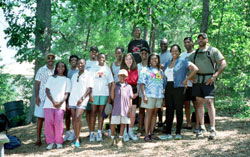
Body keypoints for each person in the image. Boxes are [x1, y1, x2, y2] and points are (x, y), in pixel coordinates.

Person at [189, 33, 227, 139]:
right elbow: (185, 65)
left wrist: (215, 76)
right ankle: (202, 127)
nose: (200, 40)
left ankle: (212, 128)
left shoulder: (213, 51)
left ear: (207, 39)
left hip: (209, 81)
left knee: (210, 102)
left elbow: (223, 63)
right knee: (199, 103)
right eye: (199, 39)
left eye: (203, 38)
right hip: (197, 81)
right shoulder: (195, 53)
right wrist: (189, 76)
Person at [161, 44, 199, 140]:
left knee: (178, 109)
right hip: (168, 88)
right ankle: (168, 132)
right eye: (172, 51)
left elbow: (195, 69)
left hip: (179, 87)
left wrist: (186, 80)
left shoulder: (183, 61)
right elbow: (164, 75)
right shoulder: (167, 63)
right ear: (170, 52)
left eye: (176, 51)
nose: (174, 52)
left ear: (179, 52)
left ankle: (178, 132)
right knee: (169, 110)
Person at [43, 62, 71, 150]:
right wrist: (53, 101)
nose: (60, 68)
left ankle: (58, 141)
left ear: (65, 68)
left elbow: (66, 94)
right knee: (48, 124)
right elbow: (47, 90)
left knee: (59, 123)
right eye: (59, 66)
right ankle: (51, 142)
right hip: (49, 104)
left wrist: (60, 102)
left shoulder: (67, 80)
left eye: (63, 66)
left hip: (60, 105)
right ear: (56, 68)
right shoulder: (51, 78)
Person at [138, 53, 165, 142]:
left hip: (159, 96)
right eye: (152, 59)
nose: (154, 60)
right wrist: (144, 95)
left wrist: (163, 95)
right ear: (149, 60)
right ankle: (146, 134)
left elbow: (162, 83)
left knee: (154, 114)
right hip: (149, 95)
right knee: (148, 114)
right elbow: (142, 83)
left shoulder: (160, 71)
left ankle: (152, 133)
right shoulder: (145, 70)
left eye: (156, 59)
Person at [68, 58, 93, 148]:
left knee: (78, 117)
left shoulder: (88, 74)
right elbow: (71, 88)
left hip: (82, 99)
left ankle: (78, 139)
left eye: (82, 63)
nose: (80, 65)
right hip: (73, 99)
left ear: (85, 64)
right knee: (74, 119)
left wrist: (82, 98)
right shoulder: (74, 75)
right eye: (79, 63)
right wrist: (68, 100)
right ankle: (76, 137)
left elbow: (89, 88)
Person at [89, 53, 114, 142]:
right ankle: (92, 133)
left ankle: (99, 132)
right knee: (93, 112)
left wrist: (110, 96)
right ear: (97, 58)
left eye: (103, 57)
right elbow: (89, 82)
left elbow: (111, 84)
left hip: (104, 93)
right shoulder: (93, 68)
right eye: (99, 57)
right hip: (94, 93)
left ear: (105, 59)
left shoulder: (107, 69)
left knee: (101, 113)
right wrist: (90, 94)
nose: (101, 59)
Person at [34, 53, 55, 146]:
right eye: (48, 58)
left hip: (53, 98)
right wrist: (37, 97)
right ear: (46, 59)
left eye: (52, 58)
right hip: (42, 97)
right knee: (40, 118)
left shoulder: (57, 69)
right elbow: (37, 84)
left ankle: (51, 138)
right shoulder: (41, 70)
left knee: (52, 119)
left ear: (54, 59)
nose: (50, 59)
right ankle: (38, 139)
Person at [108, 69, 133, 147]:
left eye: (123, 76)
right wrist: (113, 88)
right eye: (120, 75)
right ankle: (112, 138)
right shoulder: (115, 85)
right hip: (116, 108)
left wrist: (130, 108)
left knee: (123, 123)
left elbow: (130, 98)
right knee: (113, 123)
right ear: (118, 76)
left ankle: (120, 139)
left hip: (125, 108)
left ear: (126, 77)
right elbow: (112, 97)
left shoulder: (128, 87)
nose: (121, 77)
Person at [180, 37, 200, 132]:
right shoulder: (182, 55)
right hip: (186, 83)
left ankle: (197, 124)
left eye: (188, 42)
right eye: (185, 42)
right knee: (186, 103)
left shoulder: (197, 53)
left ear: (192, 43)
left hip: (195, 82)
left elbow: (199, 67)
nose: (187, 44)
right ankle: (188, 123)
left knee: (196, 103)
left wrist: (192, 76)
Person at [120, 53, 139, 142]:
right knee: (125, 113)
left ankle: (130, 131)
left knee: (133, 113)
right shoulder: (122, 70)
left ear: (133, 60)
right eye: (126, 59)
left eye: (130, 59)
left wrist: (137, 92)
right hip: (125, 91)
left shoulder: (136, 69)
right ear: (124, 60)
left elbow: (139, 82)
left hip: (134, 91)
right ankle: (124, 132)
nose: (128, 61)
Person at [64, 55, 79, 142]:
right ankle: (68, 131)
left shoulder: (79, 71)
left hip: (76, 95)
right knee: (67, 115)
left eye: (75, 60)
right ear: (69, 61)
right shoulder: (67, 71)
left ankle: (74, 131)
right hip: (67, 95)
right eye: (72, 60)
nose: (74, 61)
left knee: (75, 115)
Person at [158, 38, 172, 130]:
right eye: (162, 43)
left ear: (168, 45)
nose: (163, 45)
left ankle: (167, 121)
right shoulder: (158, 55)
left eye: (165, 44)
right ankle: (160, 120)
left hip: (168, 80)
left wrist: (164, 66)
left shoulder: (170, 55)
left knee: (167, 102)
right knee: (159, 102)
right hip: (159, 80)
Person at [85, 46, 99, 136]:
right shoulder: (86, 63)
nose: (93, 53)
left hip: (97, 90)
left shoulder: (100, 62)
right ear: (89, 53)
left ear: (97, 53)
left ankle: (95, 130)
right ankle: (90, 131)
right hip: (86, 90)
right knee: (88, 111)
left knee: (95, 112)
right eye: (92, 51)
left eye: (95, 52)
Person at [137, 47, 149, 136]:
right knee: (141, 110)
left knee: (149, 110)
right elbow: (137, 79)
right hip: (141, 91)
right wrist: (137, 92)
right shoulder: (138, 66)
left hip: (150, 91)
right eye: (142, 53)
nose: (144, 55)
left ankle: (148, 128)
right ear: (140, 55)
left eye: (146, 53)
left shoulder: (150, 66)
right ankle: (140, 128)